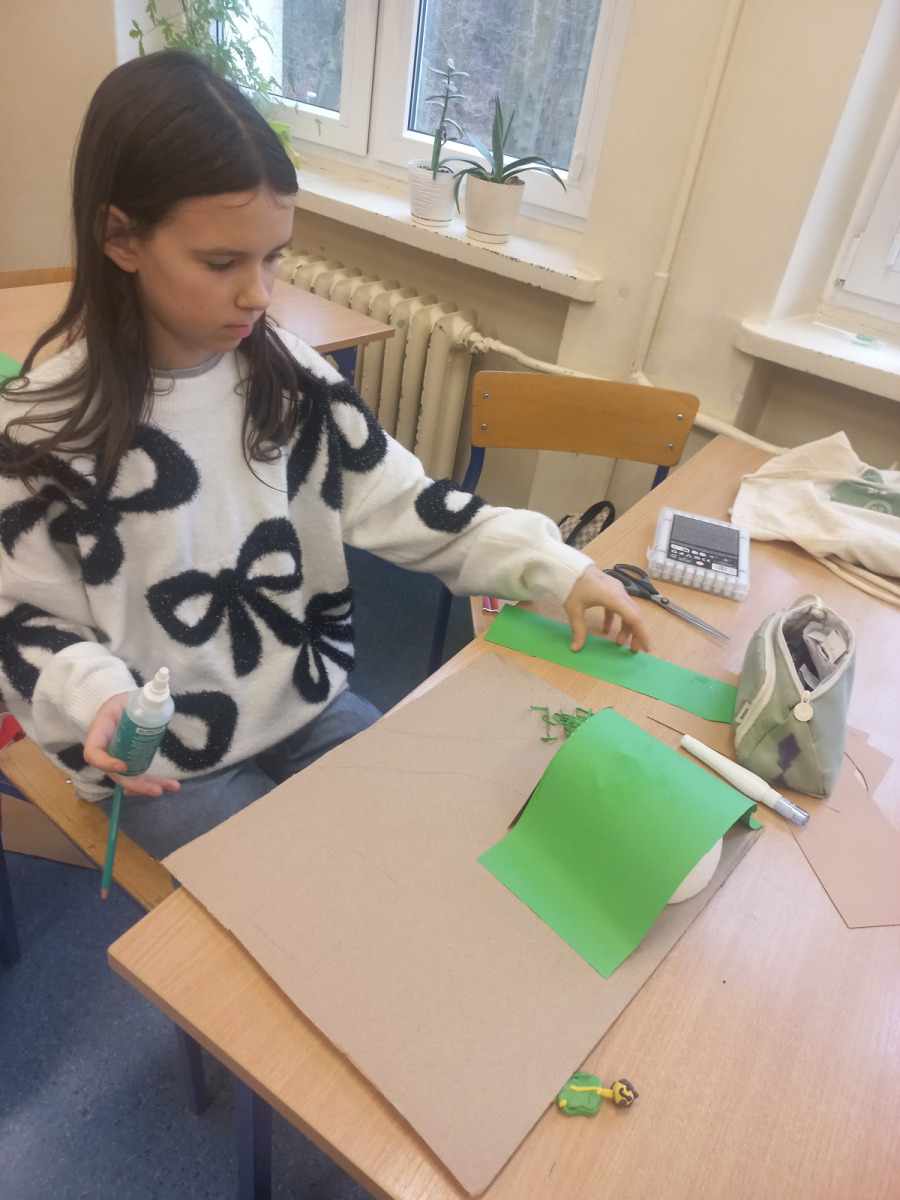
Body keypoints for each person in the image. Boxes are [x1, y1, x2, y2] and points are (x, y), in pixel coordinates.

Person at [0, 50, 648, 859]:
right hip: (166, 759)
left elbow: (411, 503)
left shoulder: (292, 382)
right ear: (120, 237)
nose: (259, 293)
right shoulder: (39, 432)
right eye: (221, 262)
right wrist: (96, 695)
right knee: (295, 893)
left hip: (303, 702)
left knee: (419, 848)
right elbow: (21, 618)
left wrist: (556, 567)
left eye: (273, 256)